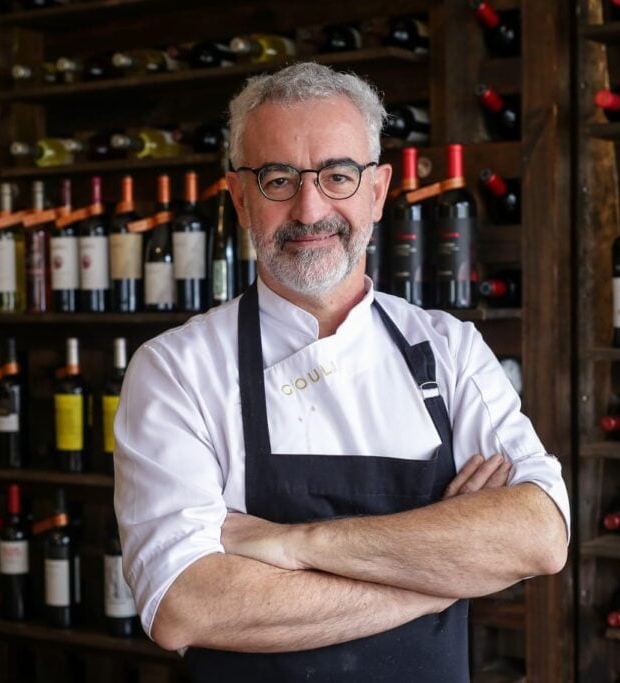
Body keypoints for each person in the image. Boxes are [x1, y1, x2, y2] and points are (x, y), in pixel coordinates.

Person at [113, 62, 570, 682]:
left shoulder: (449, 349)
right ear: (240, 198)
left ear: (377, 192)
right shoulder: (176, 370)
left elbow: (540, 535)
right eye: (278, 179)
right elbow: (186, 605)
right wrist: (443, 577)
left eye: (337, 176)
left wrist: (292, 544)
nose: (310, 209)